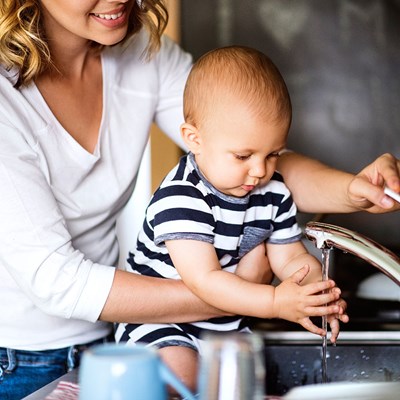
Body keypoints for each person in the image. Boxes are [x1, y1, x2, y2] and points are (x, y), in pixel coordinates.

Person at [0, 1, 399, 399]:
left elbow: (244, 147)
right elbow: (58, 281)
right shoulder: (181, 200)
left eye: (270, 156)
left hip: (111, 337)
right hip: (20, 355)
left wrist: (353, 192)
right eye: (248, 160)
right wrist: (258, 297)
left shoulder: (141, 50)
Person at [115, 45, 351, 391]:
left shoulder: (272, 189)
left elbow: (290, 257)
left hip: (227, 325)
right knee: (183, 374)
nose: (259, 170)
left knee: (241, 382)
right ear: (194, 140)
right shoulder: (182, 197)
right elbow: (205, 280)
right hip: (162, 324)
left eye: (273, 153)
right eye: (243, 155)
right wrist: (273, 302)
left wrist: (315, 294)